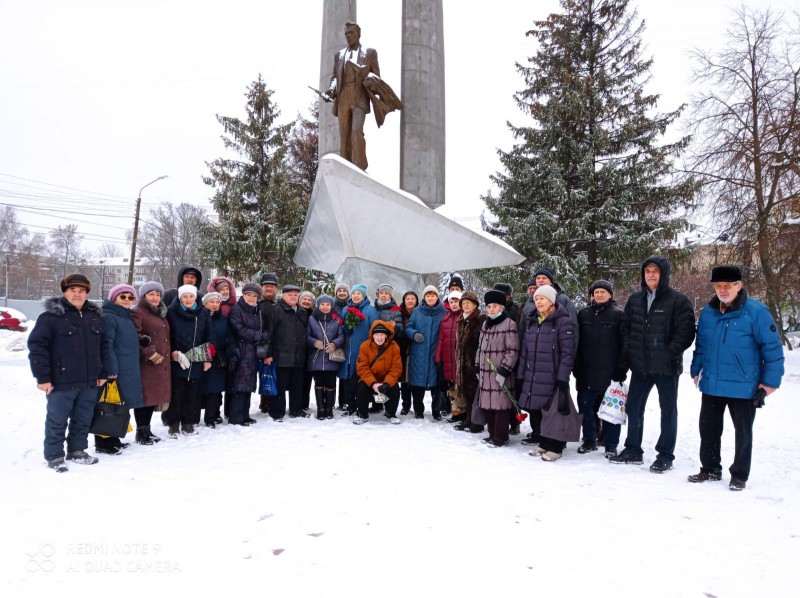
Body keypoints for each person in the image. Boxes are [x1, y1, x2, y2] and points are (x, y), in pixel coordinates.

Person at [689, 266, 784, 490]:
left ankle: (739, 474)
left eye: (727, 285)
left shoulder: (756, 311)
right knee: (708, 430)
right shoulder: (709, 312)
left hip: (744, 385)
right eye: (718, 285)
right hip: (712, 382)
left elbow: (772, 348)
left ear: (739, 286)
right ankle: (710, 468)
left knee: (743, 433)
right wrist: (696, 369)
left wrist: (769, 383)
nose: (722, 290)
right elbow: (701, 345)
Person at [610, 256, 696, 473]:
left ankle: (665, 455)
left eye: (655, 271)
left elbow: (685, 333)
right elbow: (625, 329)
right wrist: (630, 351)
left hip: (666, 368)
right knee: (634, 407)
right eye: (647, 270)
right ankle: (633, 450)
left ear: (663, 274)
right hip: (640, 366)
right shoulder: (635, 299)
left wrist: (668, 353)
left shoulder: (678, 301)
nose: (650, 274)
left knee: (667, 411)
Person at [27, 273, 110, 471]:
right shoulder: (50, 317)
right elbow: (37, 347)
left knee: (83, 418)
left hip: (89, 381)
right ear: (64, 292)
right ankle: (55, 456)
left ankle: (77, 450)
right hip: (61, 380)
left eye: (81, 291)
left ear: (86, 293)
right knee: (57, 420)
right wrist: (43, 377)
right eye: (72, 290)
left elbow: (104, 347)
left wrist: (103, 373)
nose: (77, 294)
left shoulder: (95, 317)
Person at [517, 285, 576, 460]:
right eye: (536, 299)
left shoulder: (562, 321)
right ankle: (543, 442)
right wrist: (521, 374)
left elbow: (567, 352)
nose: (538, 302)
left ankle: (556, 446)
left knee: (553, 410)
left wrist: (563, 377)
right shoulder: (532, 320)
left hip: (553, 374)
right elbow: (525, 351)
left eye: (542, 298)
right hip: (533, 372)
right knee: (537, 408)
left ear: (551, 301)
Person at [573, 280, 627, 457]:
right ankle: (590, 439)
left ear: (610, 294)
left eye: (603, 291)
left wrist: (621, 368)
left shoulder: (619, 315)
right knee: (586, 408)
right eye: (596, 292)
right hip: (586, 373)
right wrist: (577, 365)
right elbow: (576, 343)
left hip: (609, 373)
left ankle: (611, 444)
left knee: (611, 410)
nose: (599, 294)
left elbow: (624, 344)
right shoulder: (583, 314)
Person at [95, 284, 145, 455]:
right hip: (116, 370)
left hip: (128, 368)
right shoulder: (109, 317)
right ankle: (103, 443)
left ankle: (114, 439)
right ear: (113, 298)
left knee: (119, 405)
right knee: (108, 405)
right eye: (122, 297)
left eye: (130, 297)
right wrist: (110, 369)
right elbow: (107, 344)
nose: (127, 300)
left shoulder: (126, 317)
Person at [326, 22, 381, 170]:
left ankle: (360, 166)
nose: (348, 36)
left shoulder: (370, 53)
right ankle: (345, 168)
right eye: (346, 34)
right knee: (344, 138)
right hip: (343, 97)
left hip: (359, 98)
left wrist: (369, 79)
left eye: (351, 33)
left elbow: (377, 77)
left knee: (356, 132)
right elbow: (335, 77)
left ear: (359, 34)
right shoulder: (339, 55)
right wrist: (331, 90)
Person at [165, 284, 214, 437]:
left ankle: (188, 423)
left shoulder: (203, 314)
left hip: (197, 360)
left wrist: (208, 359)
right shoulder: (171, 313)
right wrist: (172, 352)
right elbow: (166, 336)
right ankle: (173, 424)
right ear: (179, 298)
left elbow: (209, 337)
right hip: (177, 360)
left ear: (195, 297)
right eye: (184, 297)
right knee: (176, 394)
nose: (188, 299)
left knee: (193, 394)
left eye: (191, 296)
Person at [476, 289, 519, 447]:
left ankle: (501, 437)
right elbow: (480, 348)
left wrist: (504, 369)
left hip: (500, 373)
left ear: (501, 307)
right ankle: (492, 434)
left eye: (495, 306)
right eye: (489, 306)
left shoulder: (509, 324)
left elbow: (512, 350)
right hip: (485, 373)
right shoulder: (485, 324)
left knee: (500, 406)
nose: (491, 309)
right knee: (487, 405)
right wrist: (476, 366)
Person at [131, 280, 170, 445]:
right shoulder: (138, 312)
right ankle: (141, 432)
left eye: (158, 294)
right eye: (151, 294)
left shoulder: (159, 312)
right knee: (144, 398)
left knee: (151, 398)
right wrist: (149, 353)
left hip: (160, 363)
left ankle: (147, 429)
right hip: (146, 363)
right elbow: (134, 336)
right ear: (144, 296)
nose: (155, 297)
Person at [263, 284, 309, 420]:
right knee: (280, 386)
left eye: (296, 295)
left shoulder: (302, 311)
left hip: (298, 356)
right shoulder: (275, 310)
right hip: (280, 356)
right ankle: (276, 412)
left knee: (297, 385)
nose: (293, 297)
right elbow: (268, 334)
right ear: (283, 295)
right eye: (290, 295)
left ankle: (296, 409)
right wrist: (268, 354)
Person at [405, 285, 446, 419]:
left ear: (437, 297)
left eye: (433, 295)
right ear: (424, 297)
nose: (430, 298)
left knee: (436, 385)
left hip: (436, 352)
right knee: (417, 384)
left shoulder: (444, 312)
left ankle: (436, 411)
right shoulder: (417, 311)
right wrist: (414, 334)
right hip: (419, 354)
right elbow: (408, 327)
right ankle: (418, 411)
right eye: (428, 296)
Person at [337, 283, 378, 415]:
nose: (356, 296)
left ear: (364, 295)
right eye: (354, 293)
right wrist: (346, 329)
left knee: (360, 378)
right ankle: (350, 405)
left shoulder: (370, 310)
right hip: (348, 350)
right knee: (347, 378)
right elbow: (340, 326)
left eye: (358, 294)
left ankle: (363, 405)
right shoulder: (346, 310)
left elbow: (374, 329)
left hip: (364, 350)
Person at [228, 283, 265, 426]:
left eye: (254, 295)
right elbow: (239, 329)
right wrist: (258, 335)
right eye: (248, 294)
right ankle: (236, 417)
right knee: (239, 384)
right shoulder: (236, 310)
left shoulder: (257, 311)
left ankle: (245, 414)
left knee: (248, 384)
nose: (251, 297)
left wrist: (263, 334)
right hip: (241, 350)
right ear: (243, 295)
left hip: (253, 351)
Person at [200, 291, 238, 428]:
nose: (215, 305)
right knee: (203, 389)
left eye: (217, 302)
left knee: (215, 390)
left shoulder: (223, 320)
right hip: (202, 357)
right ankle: (199, 417)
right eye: (212, 302)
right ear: (205, 304)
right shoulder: (200, 318)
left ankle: (213, 416)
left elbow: (229, 339)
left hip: (219, 358)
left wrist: (232, 355)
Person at [354, 321, 403, 425]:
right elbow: (362, 368)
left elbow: (396, 369)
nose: (379, 338)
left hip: (386, 381)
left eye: (382, 335)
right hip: (370, 382)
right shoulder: (365, 346)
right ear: (373, 335)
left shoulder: (394, 347)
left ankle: (391, 413)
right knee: (361, 387)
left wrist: (387, 383)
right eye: (377, 335)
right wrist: (373, 383)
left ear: (386, 335)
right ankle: (363, 414)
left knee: (394, 388)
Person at [307, 294, 345, 420]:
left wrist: (335, 344)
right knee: (318, 383)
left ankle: (329, 408)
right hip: (316, 358)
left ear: (331, 306)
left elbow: (341, 336)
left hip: (331, 358)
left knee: (331, 383)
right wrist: (314, 342)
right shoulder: (312, 319)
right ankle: (320, 408)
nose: (325, 307)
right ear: (318, 305)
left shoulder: (337, 319)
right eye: (322, 304)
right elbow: (306, 335)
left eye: (327, 304)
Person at [453, 291, 486, 433]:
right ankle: (468, 419)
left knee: (475, 394)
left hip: (475, 362)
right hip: (462, 362)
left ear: (475, 305)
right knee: (466, 392)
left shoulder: (480, 319)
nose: (465, 305)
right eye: (463, 303)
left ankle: (476, 422)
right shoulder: (461, 319)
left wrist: (476, 362)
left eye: (469, 303)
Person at [371, 283, 403, 412]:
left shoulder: (395, 310)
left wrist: (395, 326)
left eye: (386, 293)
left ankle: (388, 407)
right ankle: (377, 405)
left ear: (390, 295)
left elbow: (401, 332)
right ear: (378, 294)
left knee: (385, 376)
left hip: (388, 348)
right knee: (376, 376)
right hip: (373, 348)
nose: (384, 295)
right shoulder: (373, 308)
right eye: (382, 293)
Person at [435, 291, 462, 421]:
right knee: (451, 388)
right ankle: (455, 412)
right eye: (451, 302)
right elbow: (441, 339)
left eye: (456, 301)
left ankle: (463, 414)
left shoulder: (463, 317)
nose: (454, 304)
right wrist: (437, 357)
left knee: (460, 386)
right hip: (447, 358)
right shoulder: (445, 319)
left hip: (459, 359)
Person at [257, 272, 279, 415]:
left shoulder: (279, 303)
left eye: (272, 286)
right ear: (261, 287)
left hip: (277, 343)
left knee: (273, 373)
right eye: (266, 286)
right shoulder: (257, 304)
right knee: (263, 373)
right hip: (260, 342)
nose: (269, 289)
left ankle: (271, 402)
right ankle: (264, 401)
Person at [397, 290, 418, 415]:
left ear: (416, 301)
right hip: (402, 349)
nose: (410, 301)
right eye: (408, 299)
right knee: (404, 378)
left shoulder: (420, 313)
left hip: (416, 348)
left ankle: (417, 405)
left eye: (412, 298)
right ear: (404, 301)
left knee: (415, 378)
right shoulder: (399, 313)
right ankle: (405, 405)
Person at [299, 290, 317, 413]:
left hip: (310, 352)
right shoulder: (295, 313)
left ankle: (304, 404)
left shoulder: (315, 315)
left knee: (307, 379)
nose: (306, 301)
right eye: (304, 299)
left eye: (309, 300)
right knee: (297, 379)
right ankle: (297, 404)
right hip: (297, 351)